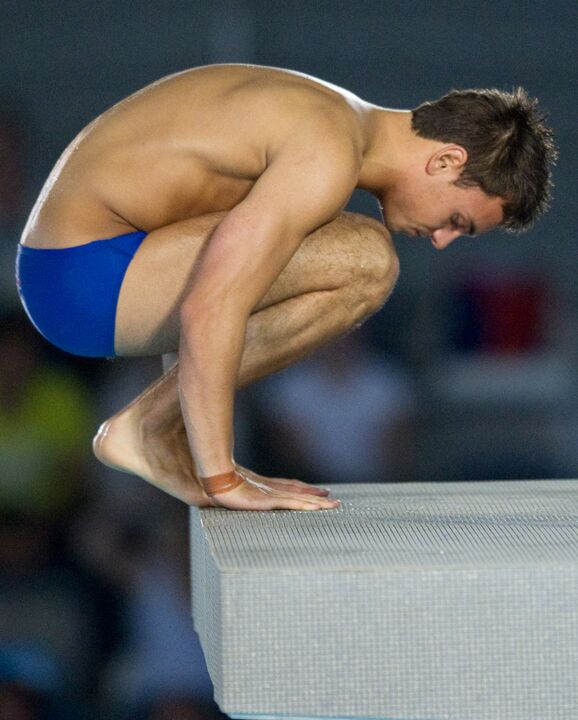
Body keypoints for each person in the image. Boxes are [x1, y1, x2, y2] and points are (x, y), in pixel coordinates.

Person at [16, 65, 556, 512]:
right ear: (445, 160)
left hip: (86, 260)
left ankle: (150, 429)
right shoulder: (327, 152)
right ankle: (148, 429)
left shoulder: (335, 114)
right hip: (81, 276)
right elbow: (211, 301)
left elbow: (197, 237)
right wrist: (222, 479)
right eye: (457, 221)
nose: (440, 241)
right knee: (366, 260)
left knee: (332, 242)